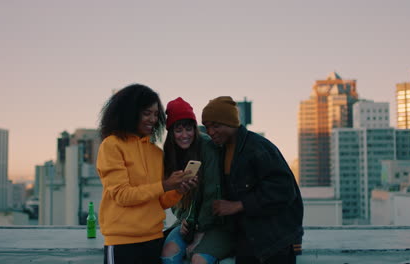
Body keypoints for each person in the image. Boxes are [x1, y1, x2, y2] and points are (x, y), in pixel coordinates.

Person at [97, 84, 197, 264]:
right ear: (130, 112)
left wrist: (178, 190)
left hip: (154, 240)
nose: (153, 119)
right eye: (146, 113)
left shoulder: (156, 153)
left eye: (156, 114)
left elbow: (160, 202)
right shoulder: (111, 145)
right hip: (122, 243)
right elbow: (122, 195)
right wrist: (165, 185)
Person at [201, 96, 304, 264]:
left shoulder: (258, 148)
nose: (211, 132)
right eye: (207, 127)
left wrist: (237, 205)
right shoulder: (222, 150)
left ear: (231, 123)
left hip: (274, 242)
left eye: (216, 125)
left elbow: (284, 191)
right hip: (247, 241)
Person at [161, 97, 233, 264]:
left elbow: (213, 193)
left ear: (195, 128)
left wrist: (199, 231)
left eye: (189, 129)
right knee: (168, 253)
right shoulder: (169, 155)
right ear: (171, 132)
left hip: (217, 223)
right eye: (178, 130)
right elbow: (173, 198)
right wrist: (185, 219)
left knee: (198, 259)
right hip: (189, 221)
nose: (185, 135)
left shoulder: (208, 147)